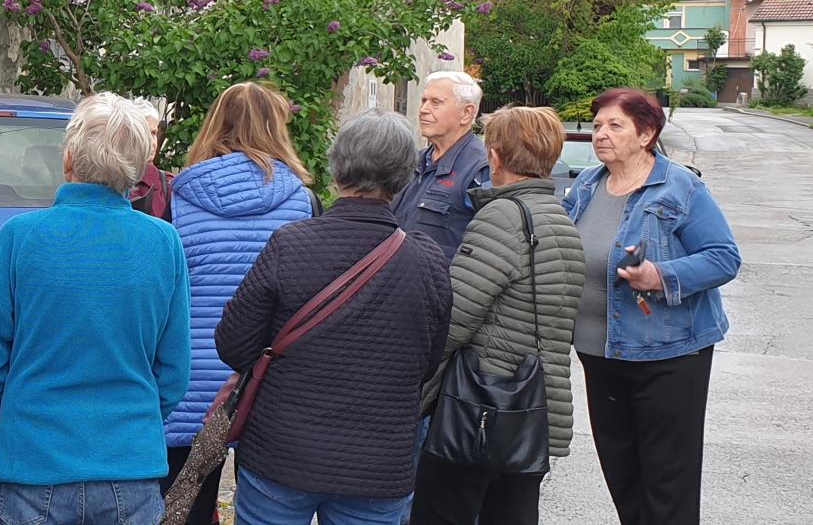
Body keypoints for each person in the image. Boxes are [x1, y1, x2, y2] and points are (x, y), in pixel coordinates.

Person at [215, 111, 451, 525]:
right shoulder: (427, 260)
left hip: (282, 451)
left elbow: (233, 345)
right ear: (403, 178)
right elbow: (428, 361)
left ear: (337, 168)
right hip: (379, 462)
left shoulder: (291, 244)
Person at [0, 92, 189, 525]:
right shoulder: (163, 242)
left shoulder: (20, 236)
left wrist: (20, 413)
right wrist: (136, 419)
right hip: (130, 462)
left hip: (35, 458)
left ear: (68, 158)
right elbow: (174, 371)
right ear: (139, 168)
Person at [562, 88, 740, 525]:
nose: (601, 134)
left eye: (614, 125)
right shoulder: (586, 186)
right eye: (598, 125)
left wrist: (660, 275)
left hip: (669, 355)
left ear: (646, 134)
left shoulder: (680, 186)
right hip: (599, 354)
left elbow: (723, 257)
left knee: (667, 481)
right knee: (622, 473)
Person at [411, 107, 587, 525]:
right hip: (533, 408)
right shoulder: (559, 219)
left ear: (494, 155)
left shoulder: (502, 216)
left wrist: (409, 376)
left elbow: (454, 318)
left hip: (480, 409)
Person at [161, 82, 315, 525]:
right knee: (268, 511)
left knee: (184, 506)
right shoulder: (302, 202)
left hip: (190, 380)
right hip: (267, 382)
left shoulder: (179, 198)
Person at [392, 71, 491, 263]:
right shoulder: (411, 161)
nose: (423, 109)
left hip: (445, 279)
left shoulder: (480, 169)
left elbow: (488, 249)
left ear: (466, 113)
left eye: (436, 103)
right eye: (423, 101)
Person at [129, 101, 177, 221]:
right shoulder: (109, 181)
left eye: (154, 133)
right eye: (144, 133)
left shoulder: (169, 184)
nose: (152, 142)